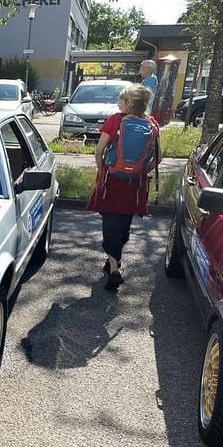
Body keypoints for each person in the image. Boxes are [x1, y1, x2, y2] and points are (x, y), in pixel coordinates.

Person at [86, 84, 160, 291]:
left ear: (128, 103)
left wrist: (103, 171)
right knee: (123, 226)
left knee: (110, 224)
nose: (118, 103)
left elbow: (99, 150)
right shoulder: (152, 123)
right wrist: (142, 171)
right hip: (134, 184)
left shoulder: (115, 120)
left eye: (121, 100)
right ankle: (113, 260)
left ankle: (114, 270)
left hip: (112, 180)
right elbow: (158, 157)